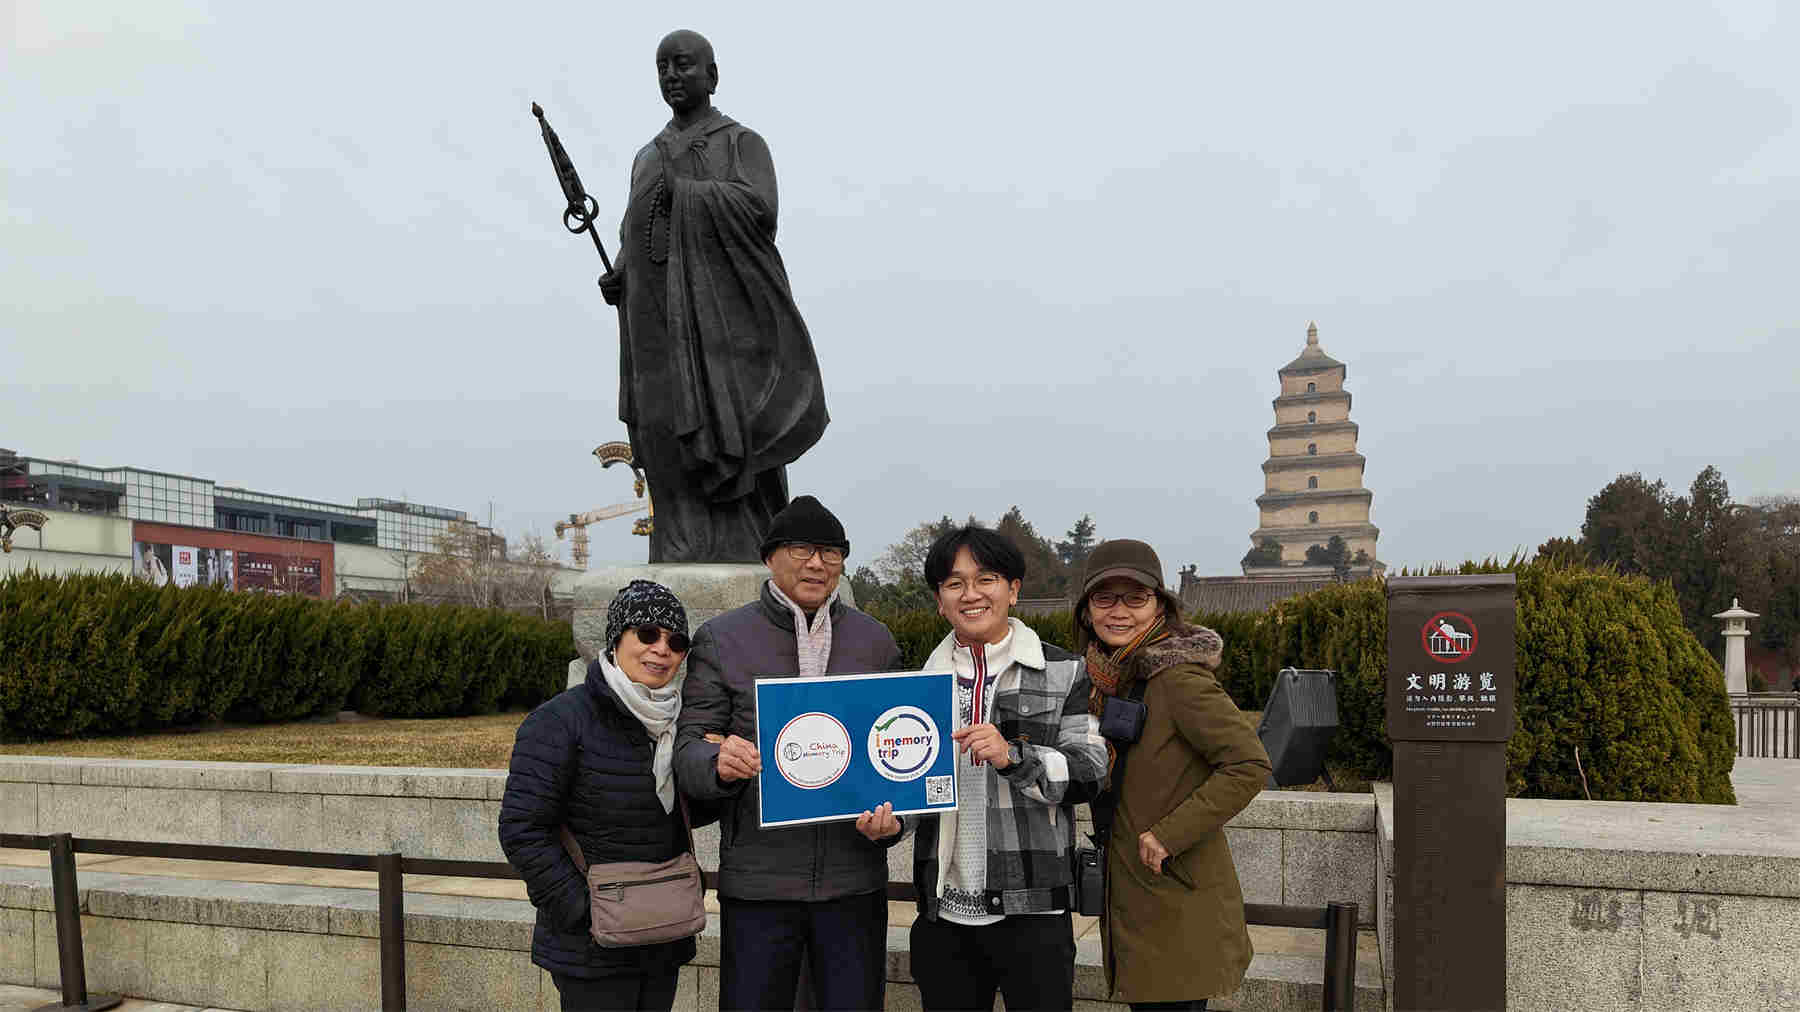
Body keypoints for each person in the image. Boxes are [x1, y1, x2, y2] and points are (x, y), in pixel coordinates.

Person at [597, 29, 828, 564]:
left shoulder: (739, 142)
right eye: (663, 68)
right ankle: (674, 546)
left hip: (720, 324)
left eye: (683, 65)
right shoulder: (646, 156)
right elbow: (636, 225)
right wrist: (623, 271)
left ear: (712, 75)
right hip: (653, 323)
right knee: (659, 429)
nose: (672, 76)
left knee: (729, 427)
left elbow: (761, 211)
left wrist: (690, 191)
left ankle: (744, 547)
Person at [673, 495, 904, 1010]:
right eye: (801, 549)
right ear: (770, 557)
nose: (817, 563)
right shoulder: (723, 638)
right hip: (759, 886)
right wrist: (719, 764)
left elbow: (899, 753)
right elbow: (689, 746)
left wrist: (897, 823)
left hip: (854, 884)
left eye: (831, 552)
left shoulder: (875, 642)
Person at [907, 525, 1109, 1011]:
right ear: (939, 599)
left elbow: (1091, 770)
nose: (970, 594)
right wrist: (887, 824)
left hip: (1034, 910)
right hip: (942, 914)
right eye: (954, 583)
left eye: (987, 579)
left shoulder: (1064, 671)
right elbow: (906, 788)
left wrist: (1013, 757)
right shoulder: (916, 685)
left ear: (1013, 590)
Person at [1079, 539, 1272, 1011]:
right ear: (1086, 611)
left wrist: (1169, 834)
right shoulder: (1107, 678)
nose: (1118, 611)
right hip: (1137, 896)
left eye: (1135, 598)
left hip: (1175, 897)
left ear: (1160, 606)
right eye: (1104, 599)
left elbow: (1249, 764)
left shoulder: (1178, 678)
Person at [500, 580, 699, 1011]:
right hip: (590, 948)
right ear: (615, 640)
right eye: (646, 634)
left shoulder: (678, 722)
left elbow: (684, 813)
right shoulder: (559, 721)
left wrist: (722, 771)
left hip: (661, 936)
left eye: (675, 641)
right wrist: (583, 909)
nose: (661, 649)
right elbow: (522, 829)